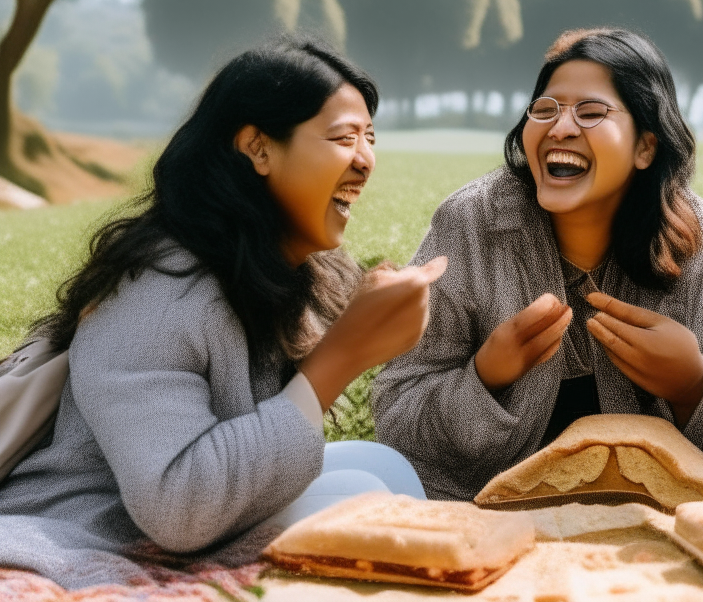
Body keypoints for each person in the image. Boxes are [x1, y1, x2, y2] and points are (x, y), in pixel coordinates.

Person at [0, 39, 443, 590]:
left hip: (189, 516)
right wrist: (340, 358)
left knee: (383, 469)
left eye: (369, 139)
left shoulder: (267, 269)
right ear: (258, 148)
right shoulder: (157, 292)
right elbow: (177, 509)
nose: (364, 160)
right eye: (343, 138)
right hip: (90, 530)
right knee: (368, 503)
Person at [374, 28, 703, 501]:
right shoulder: (470, 225)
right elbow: (398, 414)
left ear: (646, 146)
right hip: (484, 515)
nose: (559, 127)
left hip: (664, 517)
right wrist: (485, 376)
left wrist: (692, 383)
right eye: (545, 110)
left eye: (591, 112)